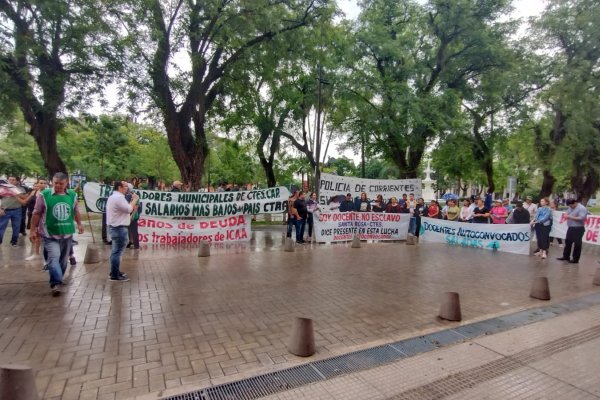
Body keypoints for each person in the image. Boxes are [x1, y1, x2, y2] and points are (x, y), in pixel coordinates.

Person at [29, 173, 84, 295]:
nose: (58, 186)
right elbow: (36, 213)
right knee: (54, 258)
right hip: (50, 235)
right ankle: (56, 283)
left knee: (63, 261)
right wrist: (33, 229)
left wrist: (79, 224)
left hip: (67, 233)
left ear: (66, 183)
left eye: (61, 183)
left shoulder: (72, 195)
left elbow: (76, 211)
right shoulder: (45, 195)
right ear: (52, 182)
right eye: (55, 183)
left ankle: (58, 279)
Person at [106, 180, 139, 281]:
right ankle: (115, 275)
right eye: (125, 187)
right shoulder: (119, 198)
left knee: (115, 251)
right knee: (117, 252)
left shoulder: (113, 197)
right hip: (119, 228)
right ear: (119, 187)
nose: (127, 189)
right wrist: (135, 200)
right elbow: (129, 209)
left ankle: (114, 271)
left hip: (115, 227)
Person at [0, 176, 36, 246]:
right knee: (1, 227)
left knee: (16, 227)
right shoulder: (3, 188)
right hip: (4, 210)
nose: (11, 181)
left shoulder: (21, 189)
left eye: (13, 180)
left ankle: (14, 242)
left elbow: (25, 198)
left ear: (17, 181)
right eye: (10, 180)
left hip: (17, 210)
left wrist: (14, 192)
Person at [557, 199, 587, 264]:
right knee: (567, 242)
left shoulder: (582, 208)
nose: (570, 207)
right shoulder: (570, 207)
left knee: (577, 244)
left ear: (575, 203)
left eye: (571, 205)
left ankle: (575, 259)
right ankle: (566, 256)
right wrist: (565, 215)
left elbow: (582, 218)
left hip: (578, 228)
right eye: (569, 206)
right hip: (571, 227)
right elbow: (567, 212)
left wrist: (570, 217)